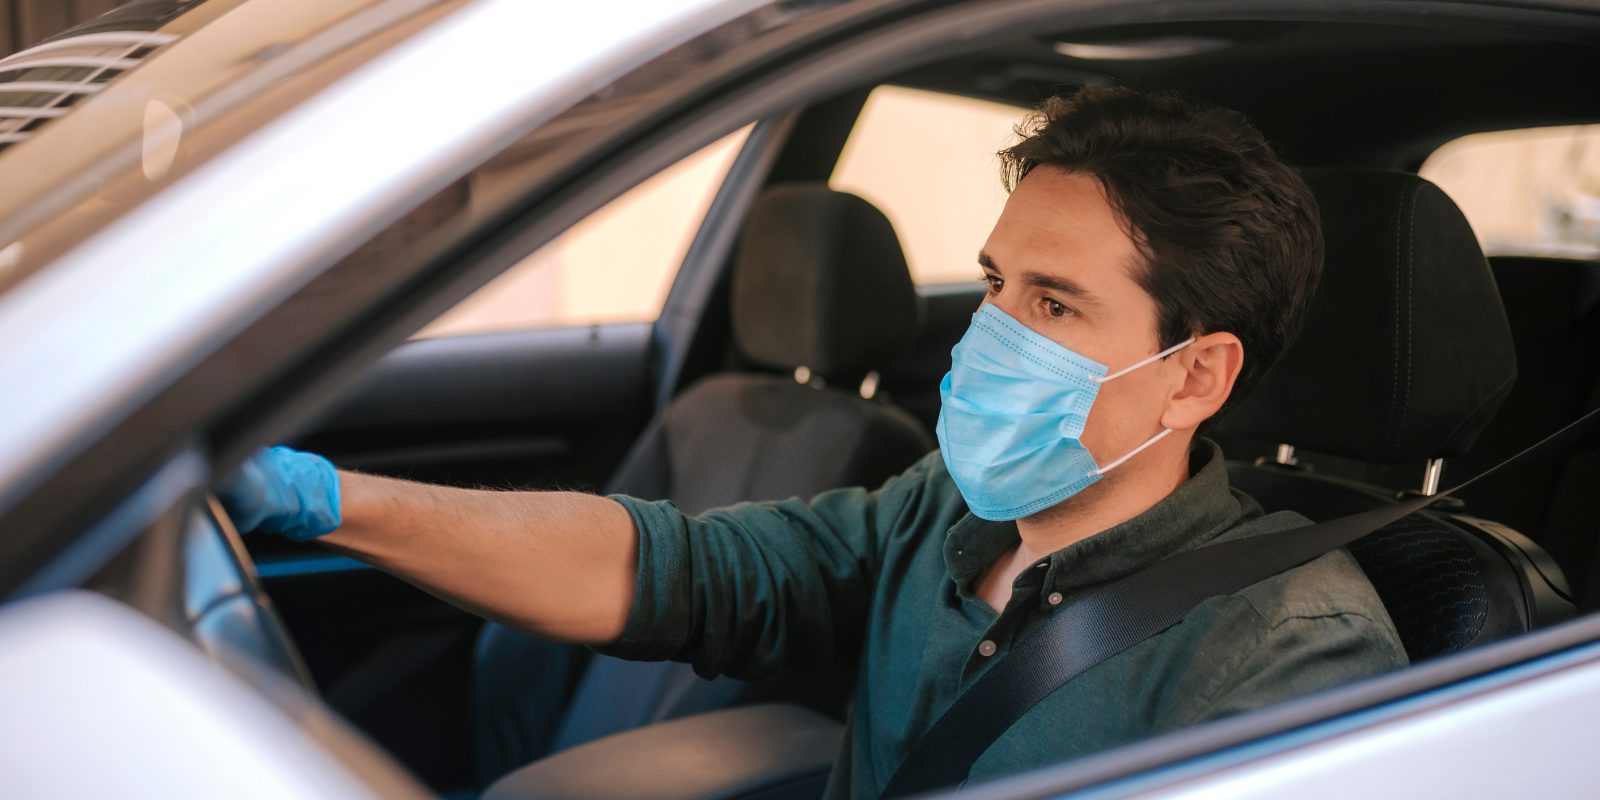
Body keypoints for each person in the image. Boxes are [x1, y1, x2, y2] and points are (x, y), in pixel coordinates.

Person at [222, 85, 1406, 796]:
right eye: (994, 283)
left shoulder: (1291, 649)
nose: (990, 332)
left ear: (1195, 374)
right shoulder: (947, 508)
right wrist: (334, 502)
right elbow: (676, 571)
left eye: (1053, 303)